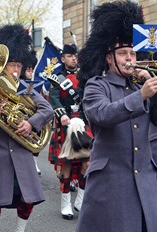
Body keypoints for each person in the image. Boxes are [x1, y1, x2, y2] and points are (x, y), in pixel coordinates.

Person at [75, 1, 157, 231]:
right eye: (123, 53)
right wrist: (141, 95)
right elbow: (102, 114)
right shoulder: (96, 86)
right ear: (109, 58)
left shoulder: (143, 85)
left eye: (132, 53)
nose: (129, 58)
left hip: (147, 180)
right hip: (111, 182)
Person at [0, 24, 54, 232]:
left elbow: (47, 109)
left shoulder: (26, 88)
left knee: (27, 198)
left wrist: (31, 123)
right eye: (12, 65)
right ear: (2, 65)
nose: (16, 70)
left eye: (19, 65)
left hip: (21, 152)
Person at [47, 43, 92, 220]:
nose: (74, 58)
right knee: (66, 163)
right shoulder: (56, 78)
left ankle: (80, 200)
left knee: (87, 163)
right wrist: (62, 115)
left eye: (75, 56)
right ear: (63, 58)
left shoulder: (85, 75)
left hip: (83, 122)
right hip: (65, 124)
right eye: (70, 56)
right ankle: (65, 203)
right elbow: (54, 99)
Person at [20, 50, 43, 176]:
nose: (30, 71)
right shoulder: (22, 84)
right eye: (28, 69)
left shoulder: (29, 85)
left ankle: (34, 162)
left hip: (30, 118)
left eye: (31, 69)